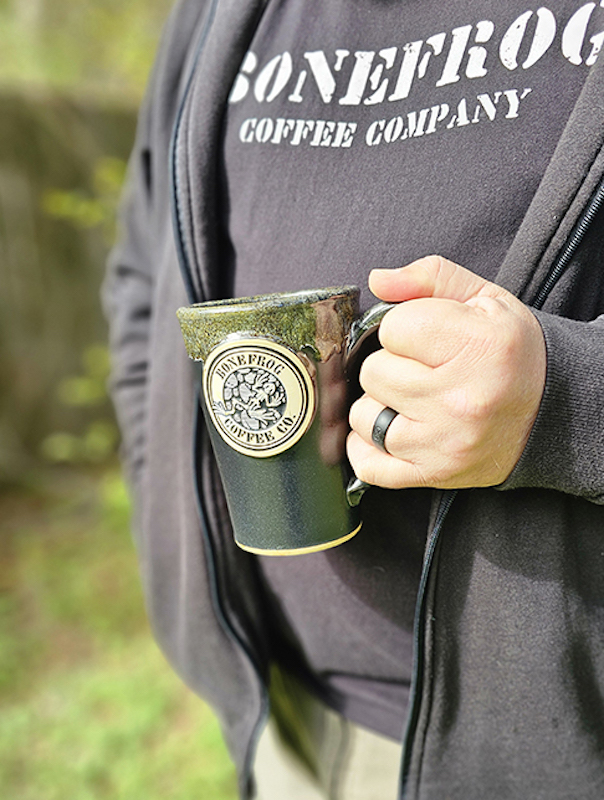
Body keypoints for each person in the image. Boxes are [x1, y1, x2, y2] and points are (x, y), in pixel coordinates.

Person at [103, 1, 604, 797]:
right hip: (279, 721)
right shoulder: (208, 15)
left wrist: (569, 401)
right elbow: (140, 279)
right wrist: (157, 496)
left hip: (552, 757)